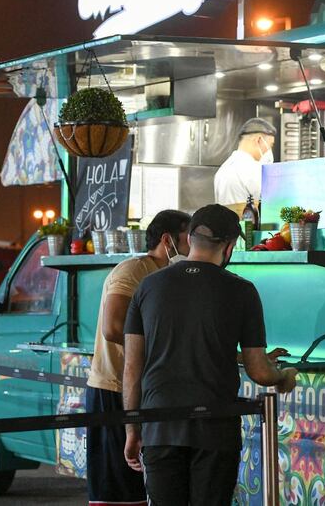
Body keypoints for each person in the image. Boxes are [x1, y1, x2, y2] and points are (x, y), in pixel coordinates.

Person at [123, 203, 298, 506]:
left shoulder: (148, 287)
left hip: (158, 424)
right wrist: (283, 377)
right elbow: (259, 370)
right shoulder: (242, 291)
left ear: (189, 239)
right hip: (215, 430)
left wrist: (132, 429)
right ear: (229, 247)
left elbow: (132, 368)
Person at [85, 210, 190, 506]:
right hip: (115, 388)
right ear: (167, 240)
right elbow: (112, 327)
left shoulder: (176, 277)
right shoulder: (133, 271)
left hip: (150, 392)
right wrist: (160, 351)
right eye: (188, 237)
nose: (193, 244)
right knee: (116, 490)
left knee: (145, 488)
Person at [214, 117, 277, 206]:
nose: (269, 150)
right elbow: (273, 205)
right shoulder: (253, 171)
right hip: (246, 219)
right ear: (258, 140)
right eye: (270, 145)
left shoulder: (223, 169)